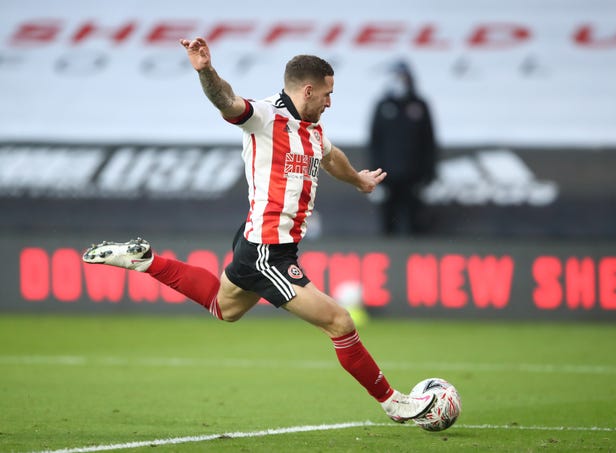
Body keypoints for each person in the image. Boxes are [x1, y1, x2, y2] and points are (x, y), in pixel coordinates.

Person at [82, 37, 435, 423]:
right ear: (308, 89)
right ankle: (394, 402)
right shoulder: (265, 116)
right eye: (328, 94)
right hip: (268, 250)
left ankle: (144, 260)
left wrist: (358, 181)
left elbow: (332, 157)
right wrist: (205, 71)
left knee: (225, 307)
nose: (330, 102)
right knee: (340, 321)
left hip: (261, 243)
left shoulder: (313, 129)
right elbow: (227, 102)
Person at [368, 61, 438, 236]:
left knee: (415, 224)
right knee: (388, 224)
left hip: (414, 177)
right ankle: (390, 258)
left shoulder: (420, 105)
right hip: (387, 177)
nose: (400, 82)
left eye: (403, 77)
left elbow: (428, 142)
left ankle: (416, 259)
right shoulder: (383, 106)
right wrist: (374, 176)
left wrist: (429, 174)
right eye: (396, 77)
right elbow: (375, 143)